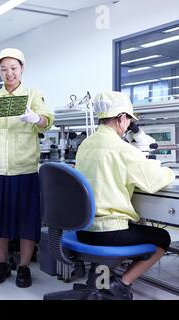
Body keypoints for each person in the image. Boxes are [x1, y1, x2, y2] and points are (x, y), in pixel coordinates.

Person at [75, 91, 174, 300]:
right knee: (162, 238)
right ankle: (121, 285)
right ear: (121, 117)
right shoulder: (122, 148)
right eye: (128, 119)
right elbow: (153, 180)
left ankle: (101, 280)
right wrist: (168, 170)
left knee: (129, 229)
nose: (129, 125)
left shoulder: (85, 145)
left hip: (83, 229)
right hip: (107, 232)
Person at [0, 48, 54, 288]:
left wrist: (36, 119)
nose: (9, 73)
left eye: (13, 68)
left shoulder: (32, 95)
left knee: (27, 220)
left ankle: (24, 267)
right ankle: (1, 263)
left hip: (25, 168)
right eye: (4, 69)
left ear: (22, 69)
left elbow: (48, 119)